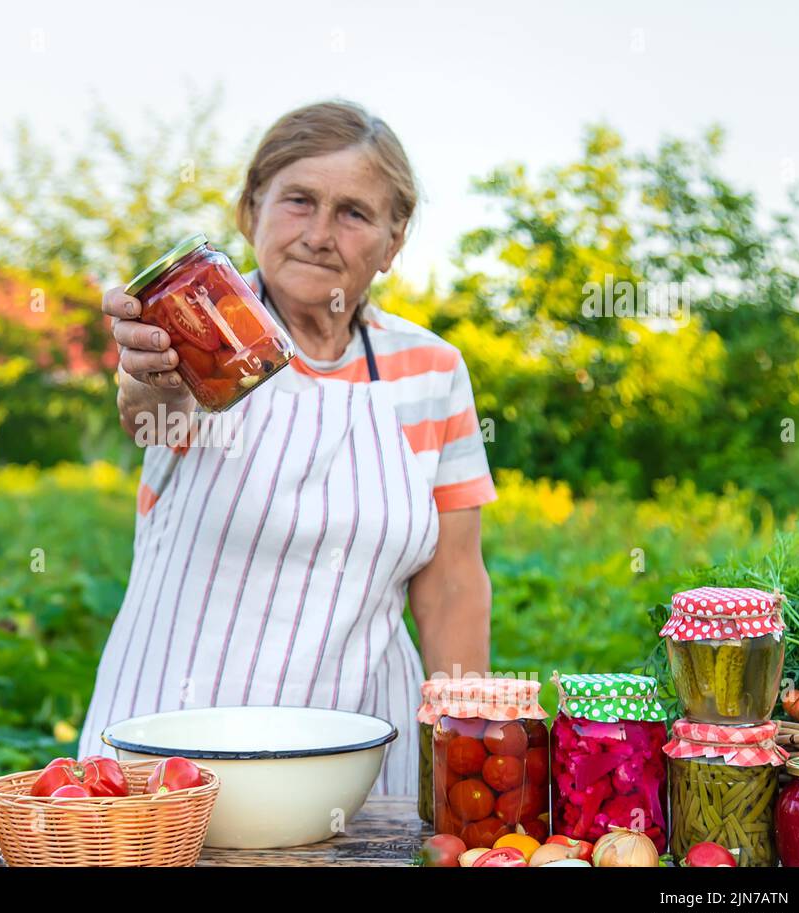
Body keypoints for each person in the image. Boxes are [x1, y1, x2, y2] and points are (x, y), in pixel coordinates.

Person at [77, 101, 496, 796]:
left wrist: (470, 761)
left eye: (354, 213)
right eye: (299, 201)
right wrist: (147, 376)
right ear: (251, 211)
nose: (320, 234)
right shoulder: (203, 336)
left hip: (357, 774)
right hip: (168, 760)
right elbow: (150, 408)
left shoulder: (431, 369)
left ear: (393, 244)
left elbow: (452, 584)